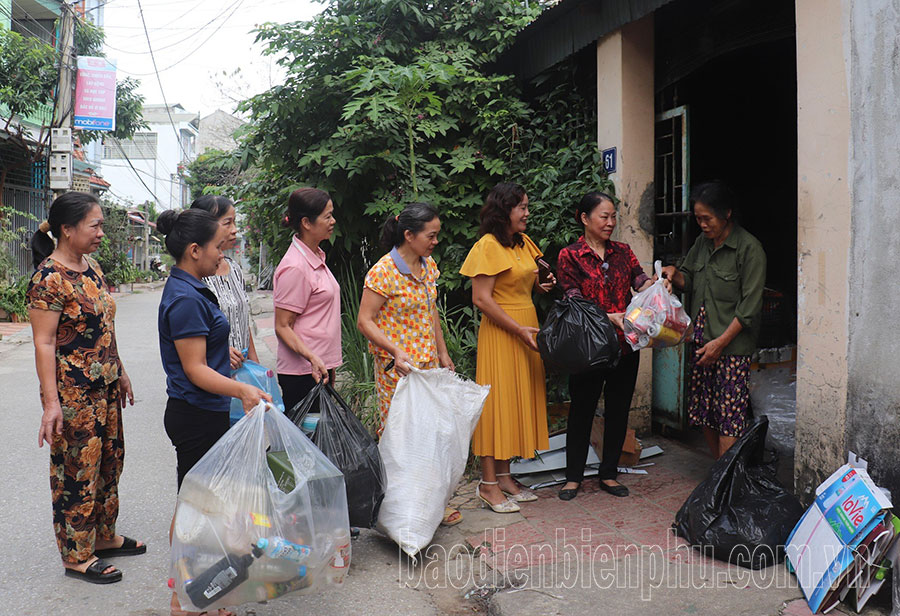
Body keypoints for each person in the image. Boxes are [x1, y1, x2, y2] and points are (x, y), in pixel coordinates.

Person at [156, 208, 269, 616]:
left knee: (207, 507)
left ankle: (205, 589)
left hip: (205, 410)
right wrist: (243, 389)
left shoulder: (194, 287)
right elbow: (195, 369)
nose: (222, 255)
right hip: (195, 414)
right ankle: (182, 597)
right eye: (217, 248)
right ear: (193, 250)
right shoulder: (186, 298)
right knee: (195, 509)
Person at [27, 191, 144, 585]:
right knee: (77, 472)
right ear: (67, 229)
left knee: (110, 463)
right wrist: (50, 404)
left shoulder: (90, 267)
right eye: (94, 225)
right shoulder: (48, 279)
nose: (101, 233)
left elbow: (103, 327)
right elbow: (43, 343)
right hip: (75, 395)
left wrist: (121, 370)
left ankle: (104, 536)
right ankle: (76, 555)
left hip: (106, 387)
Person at [555, 192, 665, 500]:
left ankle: (609, 474)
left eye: (614, 216)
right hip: (587, 346)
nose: (611, 222)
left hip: (625, 344)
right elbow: (572, 300)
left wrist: (656, 284)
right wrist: (608, 316)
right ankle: (573, 477)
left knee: (619, 410)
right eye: (604, 216)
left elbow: (640, 282)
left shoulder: (623, 252)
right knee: (582, 410)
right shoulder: (570, 255)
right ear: (585, 218)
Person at [356, 202, 461, 526]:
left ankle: (430, 505)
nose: (435, 241)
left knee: (430, 436)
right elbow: (365, 321)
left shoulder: (428, 266)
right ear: (408, 235)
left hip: (428, 367)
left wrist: (442, 353)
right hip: (397, 372)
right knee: (401, 438)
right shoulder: (383, 271)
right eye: (431, 235)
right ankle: (398, 510)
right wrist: (395, 351)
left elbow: (431, 312)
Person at [459, 182, 555, 513]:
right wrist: (517, 330)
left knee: (516, 401)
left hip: (526, 327)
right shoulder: (487, 245)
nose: (528, 213)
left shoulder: (523, 242)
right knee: (496, 405)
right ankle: (487, 484)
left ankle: (504, 476)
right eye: (522, 208)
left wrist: (542, 285)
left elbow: (525, 281)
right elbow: (481, 299)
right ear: (504, 211)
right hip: (503, 332)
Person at [662, 181, 766, 459]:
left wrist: (720, 344)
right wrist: (673, 273)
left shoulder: (749, 250)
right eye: (698, 219)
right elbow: (690, 279)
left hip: (730, 346)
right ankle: (720, 471)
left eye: (707, 218)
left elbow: (749, 308)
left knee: (729, 414)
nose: (702, 225)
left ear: (727, 213)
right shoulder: (702, 244)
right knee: (704, 411)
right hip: (702, 342)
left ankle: (724, 480)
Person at [273, 188, 341, 413]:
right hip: (302, 372)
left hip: (319, 367)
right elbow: (283, 326)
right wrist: (312, 357)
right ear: (306, 223)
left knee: (318, 442)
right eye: (327, 216)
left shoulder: (316, 257)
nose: (333, 221)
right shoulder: (295, 266)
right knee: (307, 443)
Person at [191, 195, 259, 371]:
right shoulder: (196, 275)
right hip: (213, 372)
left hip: (243, 371)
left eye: (234, 222)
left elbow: (242, 321)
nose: (234, 230)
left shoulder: (234, 268)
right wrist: (218, 351)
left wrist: (255, 363)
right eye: (227, 223)